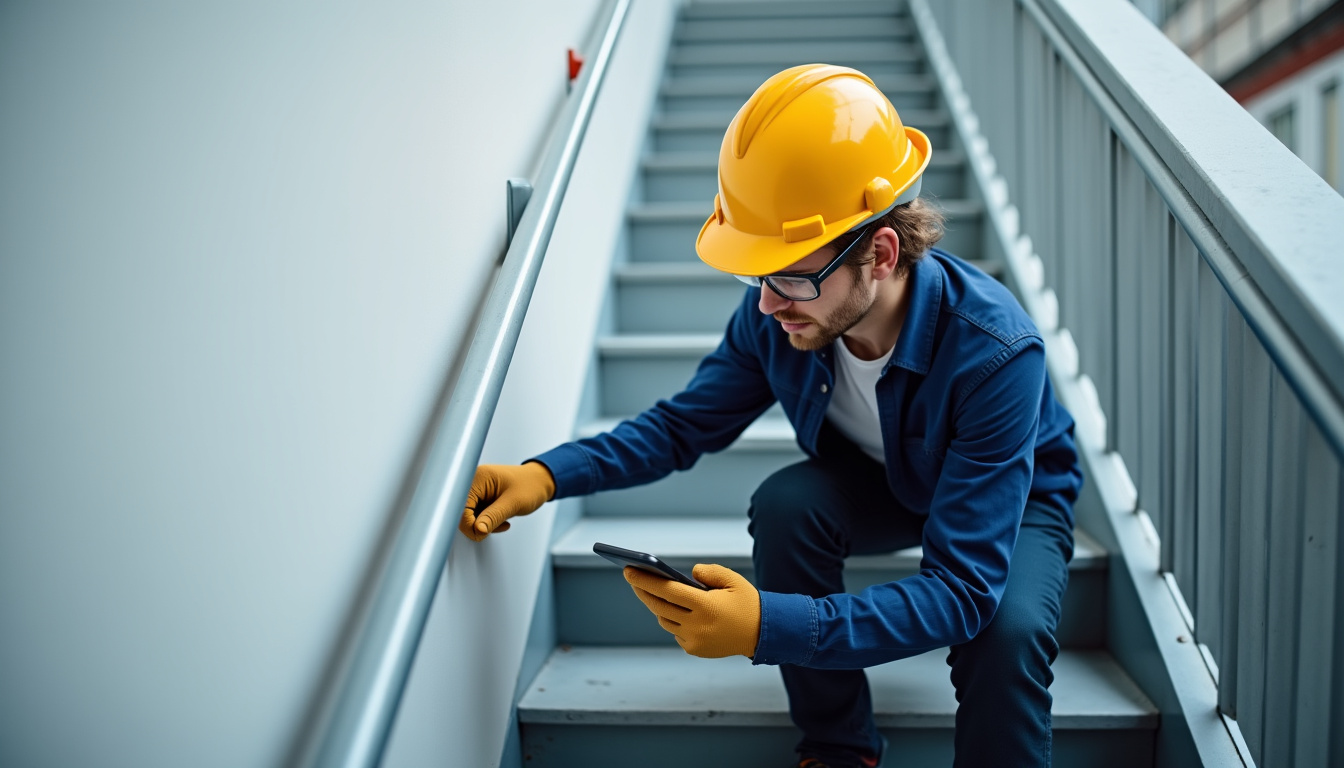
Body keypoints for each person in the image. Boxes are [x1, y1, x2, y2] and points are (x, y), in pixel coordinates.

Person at [459, 64, 1082, 768]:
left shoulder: (996, 352)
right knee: (787, 504)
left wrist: (769, 625)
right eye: (758, 274)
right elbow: (681, 426)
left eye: (790, 276)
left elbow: (961, 591)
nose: (765, 303)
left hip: (1013, 500)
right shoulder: (781, 316)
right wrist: (545, 476)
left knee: (1005, 634)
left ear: (880, 254)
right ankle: (839, 750)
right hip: (882, 480)